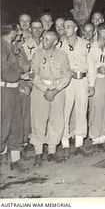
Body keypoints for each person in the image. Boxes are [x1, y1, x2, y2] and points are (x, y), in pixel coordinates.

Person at [30, 31, 71, 166]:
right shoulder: (37, 54)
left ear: (55, 42)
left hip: (58, 91)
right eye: (43, 38)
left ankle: (52, 151)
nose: (44, 41)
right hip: (40, 91)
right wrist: (45, 90)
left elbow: (67, 76)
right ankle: (38, 153)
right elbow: (33, 75)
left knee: (56, 120)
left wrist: (56, 90)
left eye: (47, 39)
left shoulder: (62, 55)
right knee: (38, 120)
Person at [60, 19, 95, 159]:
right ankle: (65, 143)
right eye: (64, 26)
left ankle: (79, 143)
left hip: (82, 81)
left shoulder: (85, 44)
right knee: (65, 111)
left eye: (69, 26)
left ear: (75, 29)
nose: (66, 28)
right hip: (67, 82)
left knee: (81, 110)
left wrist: (91, 84)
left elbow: (91, 65)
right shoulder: (60, 45)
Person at [1, 24, 29, 172]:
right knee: (3, 126)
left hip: (14, 90)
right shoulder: (2, 48)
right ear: (12, 32)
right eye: (17, 32)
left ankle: (15, 160)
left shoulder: (10, 47)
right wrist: (21, 70)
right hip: (4, 90)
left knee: (16, 125)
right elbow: (6, 74)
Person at [88, 23, 105, 152]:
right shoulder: (92, 48)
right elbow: (89, 68)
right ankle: (95, 138)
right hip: (97, 80)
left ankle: (103, 138)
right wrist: (91, 85)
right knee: (96, 109)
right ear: (101, 33)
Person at [19, 20, 44, 157]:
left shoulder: (46, 42)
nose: (37, 30)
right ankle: (26, 140)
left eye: (40, 28)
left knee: (40, 113)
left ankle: (39, 141)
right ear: (30, 29)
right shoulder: (25, 44)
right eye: (34, 28)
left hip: (42, 81)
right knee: (28, 113)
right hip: (30, 81)